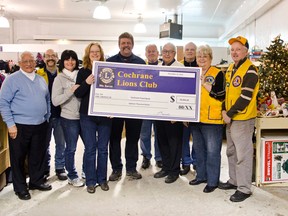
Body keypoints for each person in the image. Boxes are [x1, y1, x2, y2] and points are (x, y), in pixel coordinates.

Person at [0, 51, 52, 200]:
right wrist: (10, 124)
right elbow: (3, 103)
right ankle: (20, 187)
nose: (29, 63)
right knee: (18, 158)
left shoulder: (40, 79)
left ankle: (35, 181)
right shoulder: (12, 80)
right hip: (19, 126)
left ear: (35, 62)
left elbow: (47, 99)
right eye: (25, 61)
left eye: (31, 61)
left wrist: (46, 117)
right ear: (20, 63)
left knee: (37, 156)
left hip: (40, 124)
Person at [219, 36, 259, 202]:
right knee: (231, 152)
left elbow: (245, 97)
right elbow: (227, 94)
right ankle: (234, 181)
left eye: (238, 49)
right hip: (231, 117)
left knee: (243, 154)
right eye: (232, 49)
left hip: (242, 119)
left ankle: (244, 189)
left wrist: (229, 114)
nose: (234, 52)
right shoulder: (230, 68)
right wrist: (223, 109)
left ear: (246, 51)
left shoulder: (250, 70)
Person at [106, 32, 146, 181]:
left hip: (135, 108)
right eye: (123, 43)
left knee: (132, 138)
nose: (126, 45)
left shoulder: (141, 63)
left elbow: (146, 86)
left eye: (128, 43)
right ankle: (116, 169)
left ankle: (131, 168)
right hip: (115, 109)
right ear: (119, 45)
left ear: (132, 44)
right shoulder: (109, 62)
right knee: (114, 138)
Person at [74, 42, 112, 193]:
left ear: (101, 54)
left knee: (102, 149)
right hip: (87, 116)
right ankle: (90, 181)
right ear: (88, 54)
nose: (95, 54)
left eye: (97, 52)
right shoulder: (82, 72)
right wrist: (86, 83)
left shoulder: (108, 70)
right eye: (92, 52)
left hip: (105, 116)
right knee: (90, 149)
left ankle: (102, 179)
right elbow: (78, 93)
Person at [188, 45, 225, 193]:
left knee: (212, 151)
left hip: (212, 119)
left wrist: (205, 84)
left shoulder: (218, 73)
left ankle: (212, 181)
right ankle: (201, 176)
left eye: (205, 56)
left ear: (210, 58)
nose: (201, 59)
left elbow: (221, 94)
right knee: (199, 150)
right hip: (196, 118)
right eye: (199, 56)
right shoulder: (194, 73)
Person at [52, 50, 84, 187]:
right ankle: (72, 175)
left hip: (84, 117)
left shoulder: (82, 75)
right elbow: (55, 101)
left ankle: (86, 172)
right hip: (68, 118)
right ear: (62, 61)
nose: (70, 62)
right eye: (67, 59)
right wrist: (70, 91)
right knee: (70, 148)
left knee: (90, 146)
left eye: (73, 59)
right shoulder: (59, 79)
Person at [153, 42, 184, 184]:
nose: (166, 54)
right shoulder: (157, 68)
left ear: (174, 54)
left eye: (169, 52)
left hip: (174, 116)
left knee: (174, 143)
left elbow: (184, 91)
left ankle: (174, 171)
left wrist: (176, 114)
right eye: (164, 51)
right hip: (159, 113)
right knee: (162, 142)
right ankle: (165, 167)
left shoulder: (180, 68)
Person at [37, 49, 67, 181]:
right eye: (48, 56)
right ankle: (45, 169)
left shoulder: (63, 74)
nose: (50, 58)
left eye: (53, 56)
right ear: (43, 58)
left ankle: (60, 168)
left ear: (57, 58)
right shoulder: (38, 74)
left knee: (61, 143)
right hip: (44, 116)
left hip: (61, 114)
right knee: (44, 143)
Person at [140, 44, 162, 169]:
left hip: (159, 106)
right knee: (144, 134)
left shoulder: (163, 67)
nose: (151, 53)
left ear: (157, 53)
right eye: (149, 51)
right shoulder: (141, 67)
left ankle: (159, 158)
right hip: (145, 106)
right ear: (145, 54)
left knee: (159, 133)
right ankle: (146, 157)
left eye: (154, 51)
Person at [179, 42, 198, 175]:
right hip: (182, 108)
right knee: (183, 138)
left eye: (192, 50)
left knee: (196, 138)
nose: (190, 52)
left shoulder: (202, 65)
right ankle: (185, 163)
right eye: (187, 50)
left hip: (198, 108)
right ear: (184, 51)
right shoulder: (178, 65)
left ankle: (196, 162)